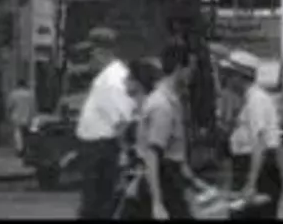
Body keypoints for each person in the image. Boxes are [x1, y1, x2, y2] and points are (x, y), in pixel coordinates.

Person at [133, 42, 211, 221]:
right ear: (178, 68)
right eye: (189, 69)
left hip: (170, 179)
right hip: (161, 181)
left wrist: (195, 182)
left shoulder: (172, 101)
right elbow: (152, 156)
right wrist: (157, 202)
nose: (192, 74)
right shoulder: (162, 105)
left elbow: (175, 152)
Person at [75, 27, 137, 219]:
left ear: (101, 52)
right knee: (95, 205)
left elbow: (123, 119)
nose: (88, 60)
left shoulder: (113, 79)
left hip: (102, 150)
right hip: (97, 150)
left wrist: (124, 153)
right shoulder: (109, 75)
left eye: (90, 54)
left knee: (97, 206)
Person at [226, 51, 283, 220]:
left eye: (230, 74)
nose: (226, 79)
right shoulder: (250, 99)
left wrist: (251, 183)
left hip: (257, 170)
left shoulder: (256, 101)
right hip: (251, 168)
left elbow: (259, 144)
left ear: (240, 76)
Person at [7, 78, 35, 157]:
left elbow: (10, 106)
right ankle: (27, 148)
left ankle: (20, 150)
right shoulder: (30, 94)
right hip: (28, 116)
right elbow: (33, 106)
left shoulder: (14, 94)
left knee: (18, 133)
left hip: (17, 115)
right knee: (27, 133)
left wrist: (9, 114)